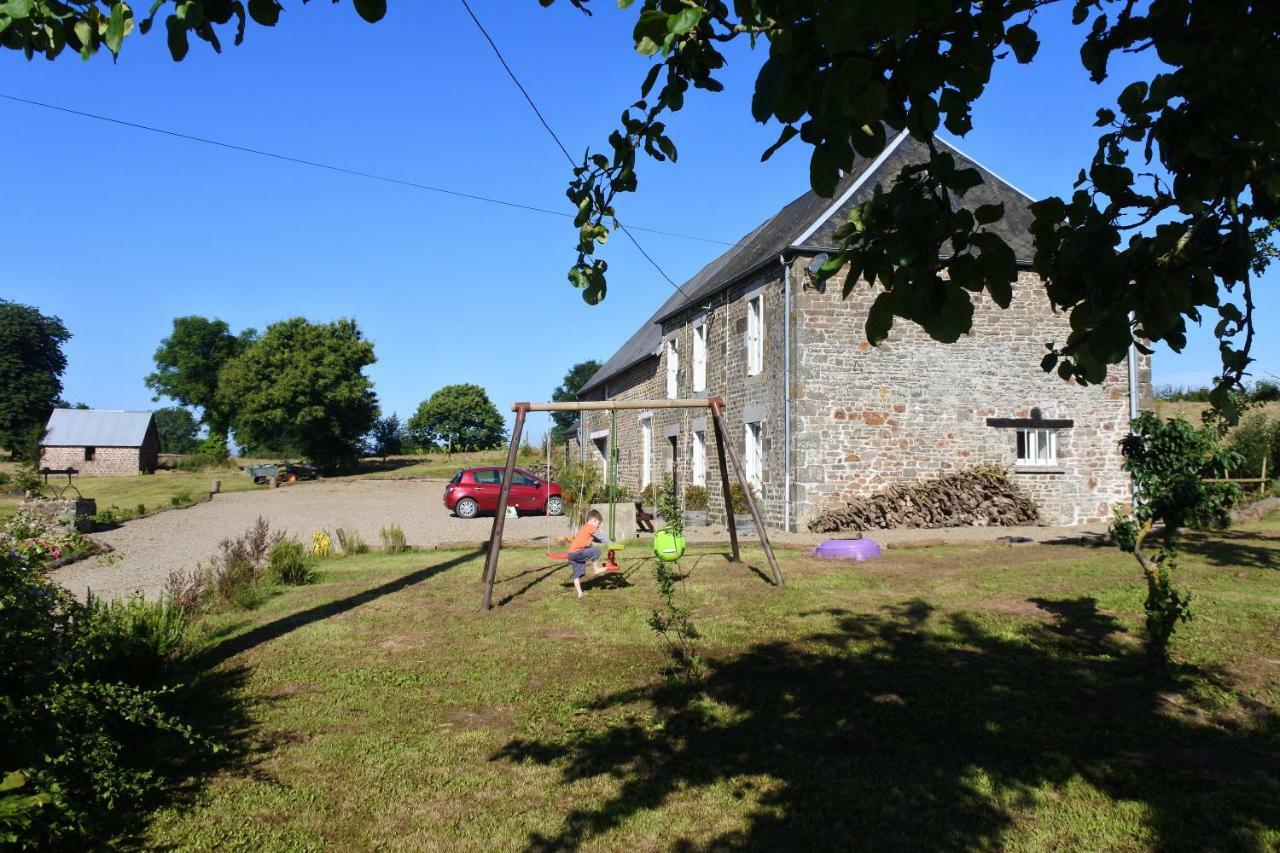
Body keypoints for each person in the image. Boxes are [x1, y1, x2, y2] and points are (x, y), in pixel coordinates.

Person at [567, 509, 611, 598]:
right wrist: (611, 543)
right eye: (598, 524)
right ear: (594, 521)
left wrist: (603, 541)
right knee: (597, 551)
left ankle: (580, 593)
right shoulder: (590, 527)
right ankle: (596, 569)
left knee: (576, 575)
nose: (598, 527)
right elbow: (600, 536)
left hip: (571, 554)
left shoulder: (585, 528)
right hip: (578, 552)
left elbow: (595, 538)